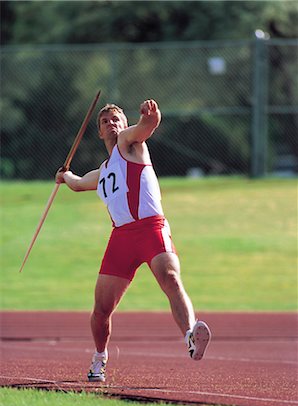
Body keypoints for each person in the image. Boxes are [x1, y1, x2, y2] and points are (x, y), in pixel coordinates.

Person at [56, 99, 211, 382]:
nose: (111, 124)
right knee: (101, 310)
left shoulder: (130, 144)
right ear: (100, 133)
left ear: (124, 126)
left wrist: (151, 117)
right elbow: (79, 183)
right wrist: (64, 176)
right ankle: (99, 359)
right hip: (122, 238)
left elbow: (147, 127)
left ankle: (191, 334)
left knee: (171, 279)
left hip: (151, 228)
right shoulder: (102, 171)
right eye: (105, 122)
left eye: (116, 119)